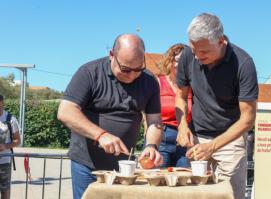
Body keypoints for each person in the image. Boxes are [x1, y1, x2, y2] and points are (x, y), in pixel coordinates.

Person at [57, 34, 163, 199]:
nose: (132, 75)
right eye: (126, 69)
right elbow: (66, 111)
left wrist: (151, 146)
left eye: (138, 69)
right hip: (88, 166)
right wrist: (101, 135)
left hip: (126, 169)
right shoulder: (89, 72)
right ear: (112, 55)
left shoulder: (149, 81)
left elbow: (154, 121)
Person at [175, 13, 258, 199]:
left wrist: (212, 146)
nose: (196, 57)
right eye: (194, 49)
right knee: (194, 194)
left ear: (221, 42)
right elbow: (180, 97)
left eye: (204, 52)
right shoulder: (189, 54)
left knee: (229, 194)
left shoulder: (244, 64)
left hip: (230, 140)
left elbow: (248, 119)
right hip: (197, 138)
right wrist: (182, 126)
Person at [156, 44, 192, 168]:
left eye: (185, 62)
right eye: (177, 60)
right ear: (170, 61)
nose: (181, 65)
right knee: (158, 181)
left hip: (184, 141)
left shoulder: (191, 87)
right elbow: (146, 114)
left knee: (184, 181)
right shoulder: (158, 82)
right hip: (162, 138)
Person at [0, 94, 21, 199]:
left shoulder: (10, 119)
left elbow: (18, 141)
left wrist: (5, 146)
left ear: (2, 103)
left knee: (4, 192)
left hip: (4, 162)